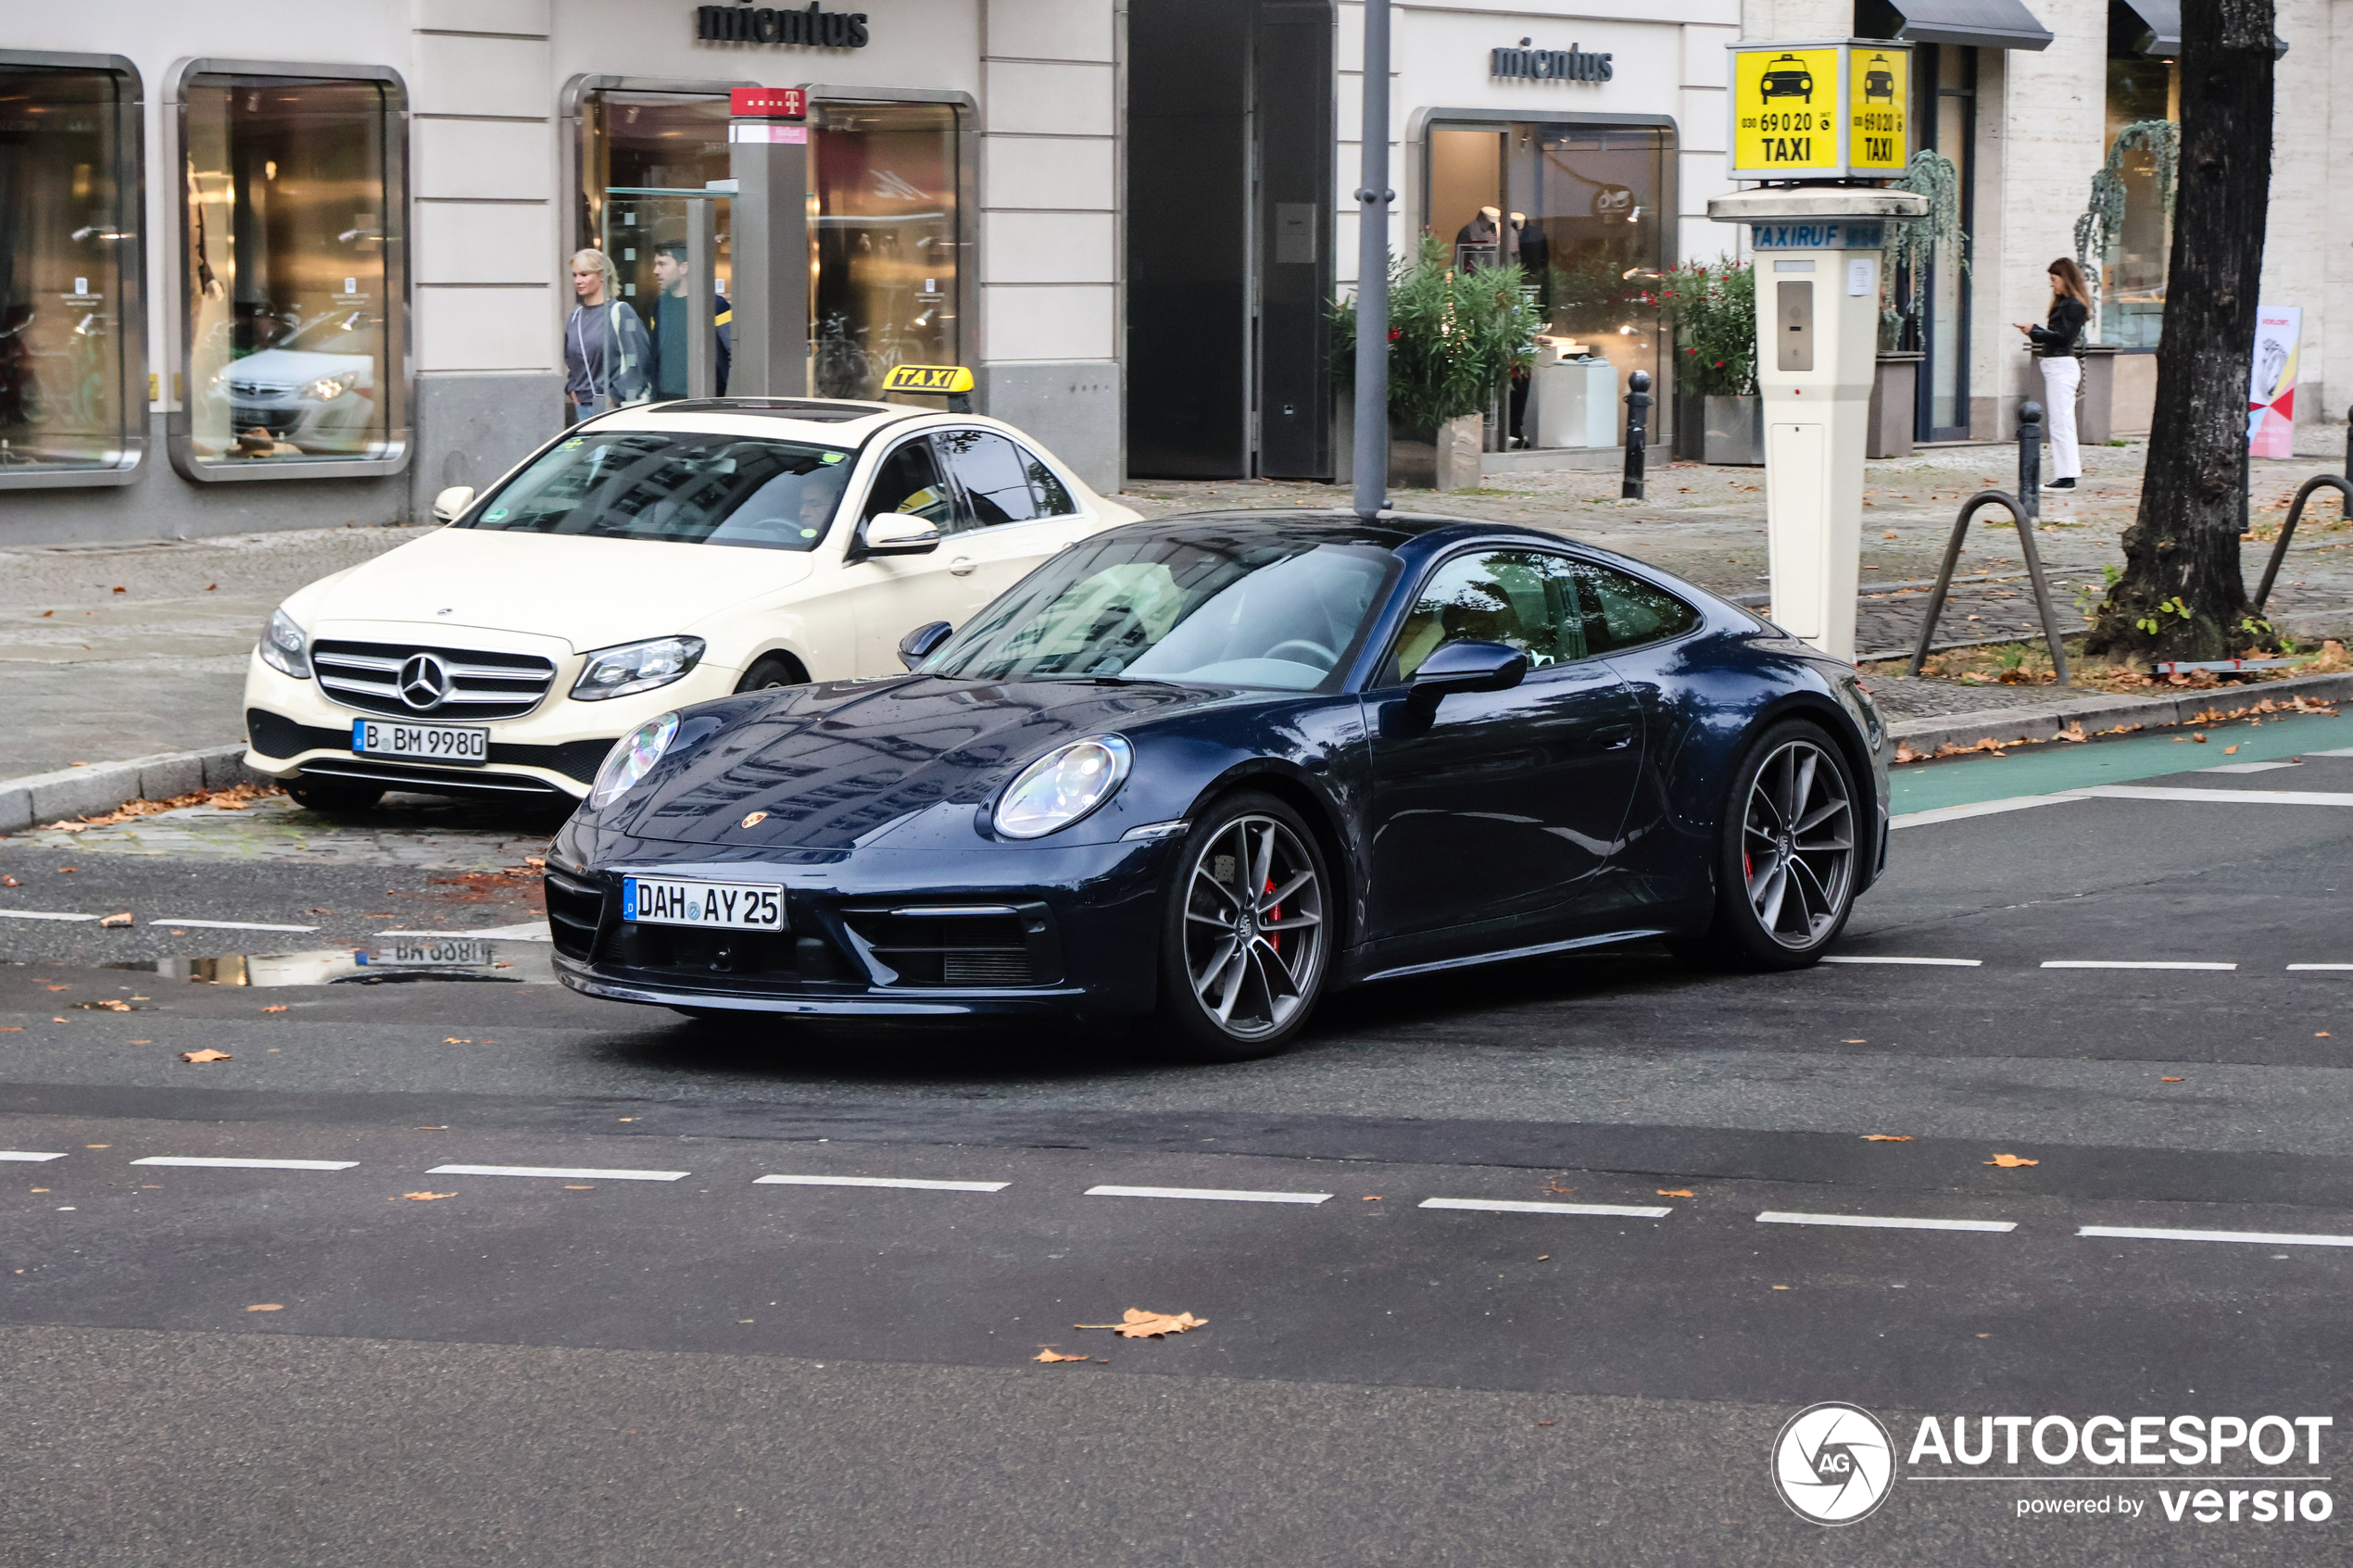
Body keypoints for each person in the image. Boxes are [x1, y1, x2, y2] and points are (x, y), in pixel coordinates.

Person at [2016, 257, 2091, 490]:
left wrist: (2036, 331)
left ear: (2065, 278)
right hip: (2056, 367)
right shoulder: (2067, 304)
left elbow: (2063, 337)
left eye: (2054, 279)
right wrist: (2036, 332)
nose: (2052, 285)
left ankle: (2067, 476)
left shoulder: (2073, 306)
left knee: (2062, 423)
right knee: (2060, 422)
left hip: (2061, 367)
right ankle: (2066, 474)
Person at [563, 247, 650, 421]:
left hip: (613, 408)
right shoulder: (576, 316)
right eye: (575, 275)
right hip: (583, 406)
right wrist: (572, 389)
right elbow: (570, 358)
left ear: (602, 275)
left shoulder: (620, 312)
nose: (578, 281)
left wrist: (616, 396)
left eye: (584, 274)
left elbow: (639, 360)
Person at [649, 244, 733, 400]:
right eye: (655, 264)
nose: (656, 271)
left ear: (684, 268)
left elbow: (732, 353)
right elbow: (656, 353)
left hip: (704, 400)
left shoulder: (714, 305)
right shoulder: (659, 305)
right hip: (664, 399)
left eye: (662, 264)